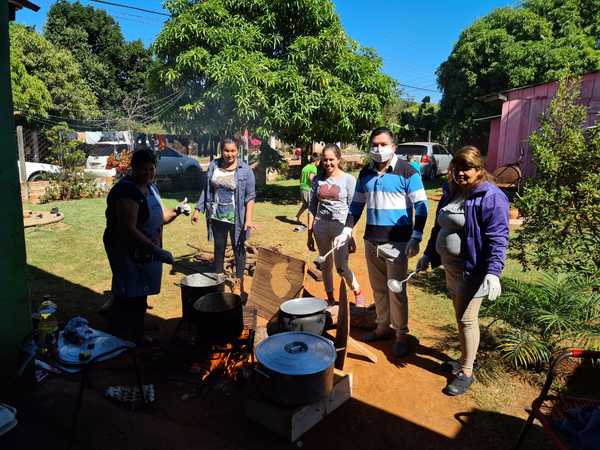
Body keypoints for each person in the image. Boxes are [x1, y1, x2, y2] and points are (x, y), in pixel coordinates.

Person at [417, 146, 509, 396]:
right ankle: (463, 359)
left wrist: (493, 271)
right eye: (457, 168)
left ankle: (467, 371)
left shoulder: (490, 196)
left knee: (467, 320)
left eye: (467, 168)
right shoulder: (452, 191)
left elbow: (498, 237)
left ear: (479, 169)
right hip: (452, 268)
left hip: (474, 271)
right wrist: (428, 254)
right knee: (460, 317)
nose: (460, 173)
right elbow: (439, 228)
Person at [334, 127, 428, 357]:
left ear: (393, 146)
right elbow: (356, 206)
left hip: (397, 243)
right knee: (378, 289)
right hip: (371, 241)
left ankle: (401, 335)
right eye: (374, 144)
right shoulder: (365, 173)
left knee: (396, 291)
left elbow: (422, 207)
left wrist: (416, 237)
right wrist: (347, 229)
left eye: (383, 144)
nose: (378, 149)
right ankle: (382, 327)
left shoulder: (408, 172)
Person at [103, 149, 190, 343]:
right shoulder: (126, 191)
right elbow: (128, 229)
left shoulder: (150, 187)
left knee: (138, 290)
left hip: (145, 250)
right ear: (133, 168)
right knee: (131, 292)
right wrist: (156, 250)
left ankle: (131, 323)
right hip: (126, 249)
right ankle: (130, 335)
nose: (148, 173)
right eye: (143, 169)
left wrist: (177, 210)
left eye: (152, 169)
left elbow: (158, 217)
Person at [192, 139, 256, 295]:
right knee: (219, 248)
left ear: (237, 151)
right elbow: (206, 189)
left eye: (233, 151)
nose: (230, 154)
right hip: (217, 217)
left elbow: (250, 197)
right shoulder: (214, 165)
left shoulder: (245, 170)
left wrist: (248, 219)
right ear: (222, 151)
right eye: (227, 151)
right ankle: (218, 281)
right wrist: (198, 209)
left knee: (239, 249)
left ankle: (238, 284)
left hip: (237, 219)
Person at [307, 144, 366, 306]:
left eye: (331, 159)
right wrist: (309, 233)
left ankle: (357, 291)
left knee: (341, 266)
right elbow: (312, 207)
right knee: (325, 264)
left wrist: (352, 236)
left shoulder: (348, 179)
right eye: (325, 160)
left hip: (342, 227)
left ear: (338, 159)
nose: (328, 163)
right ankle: (331, 298)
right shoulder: (317, 180)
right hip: (321, 227)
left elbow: (354, 210)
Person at [295, 153, 320, 228]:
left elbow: (301, 178)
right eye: (319, 161)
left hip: (302, 188)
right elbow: (311, 177)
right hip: (308, 189)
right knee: (311, 207)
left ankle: (296, 217)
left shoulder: (305, 167)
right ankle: (313, 223)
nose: (319, 163)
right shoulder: (313, 168)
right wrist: (317, 183)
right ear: (316, 161)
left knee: (305, 205)